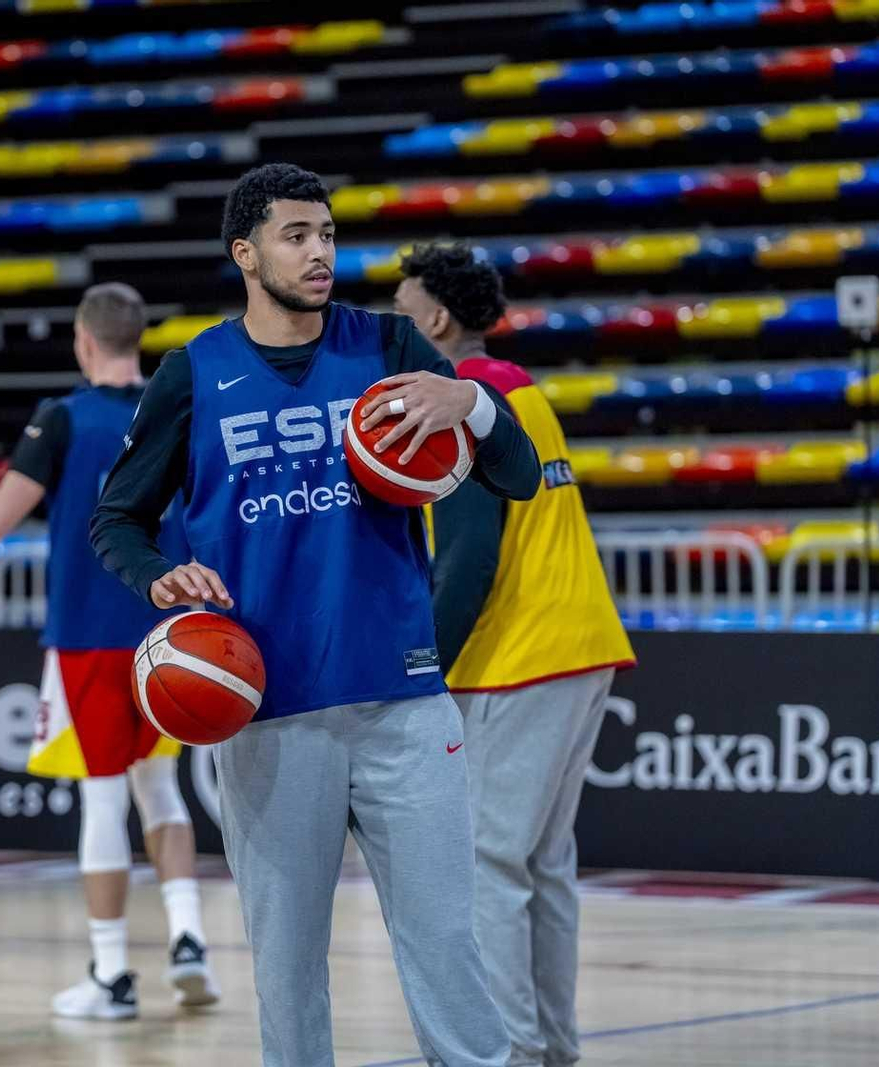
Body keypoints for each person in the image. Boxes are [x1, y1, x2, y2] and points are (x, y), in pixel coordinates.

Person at [91, 163, 541, 1067]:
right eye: (297, 235)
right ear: (246, 253)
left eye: (328, 233)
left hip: (405, 702)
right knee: (289, 967)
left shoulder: (391, 346)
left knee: (446, 947)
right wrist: (159, 578)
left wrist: (476, 404)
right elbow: (117, 518)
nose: (320, 251)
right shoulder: (192, 373)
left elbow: (518, 475)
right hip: (267, 710)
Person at [0, 282, 220, 1020]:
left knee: (100, 798)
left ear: (84, 341)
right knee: (162, 789)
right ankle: (189, 937)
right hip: (167, 633)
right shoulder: (175, 408)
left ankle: (113, 974)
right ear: (139, 337)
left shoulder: (61, 417)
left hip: (88, 637)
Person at [395, 243, 636, 1067]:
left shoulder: (458, 405)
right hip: (584, 643)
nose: (395, 329)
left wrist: (420, 670)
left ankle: (512, 1053)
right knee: (543, 864)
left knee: (490, 863)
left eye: (402, 314)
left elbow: (467, 561)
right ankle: (553, 1049)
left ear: (434, 319)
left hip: (521, 653)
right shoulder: (521, 392)